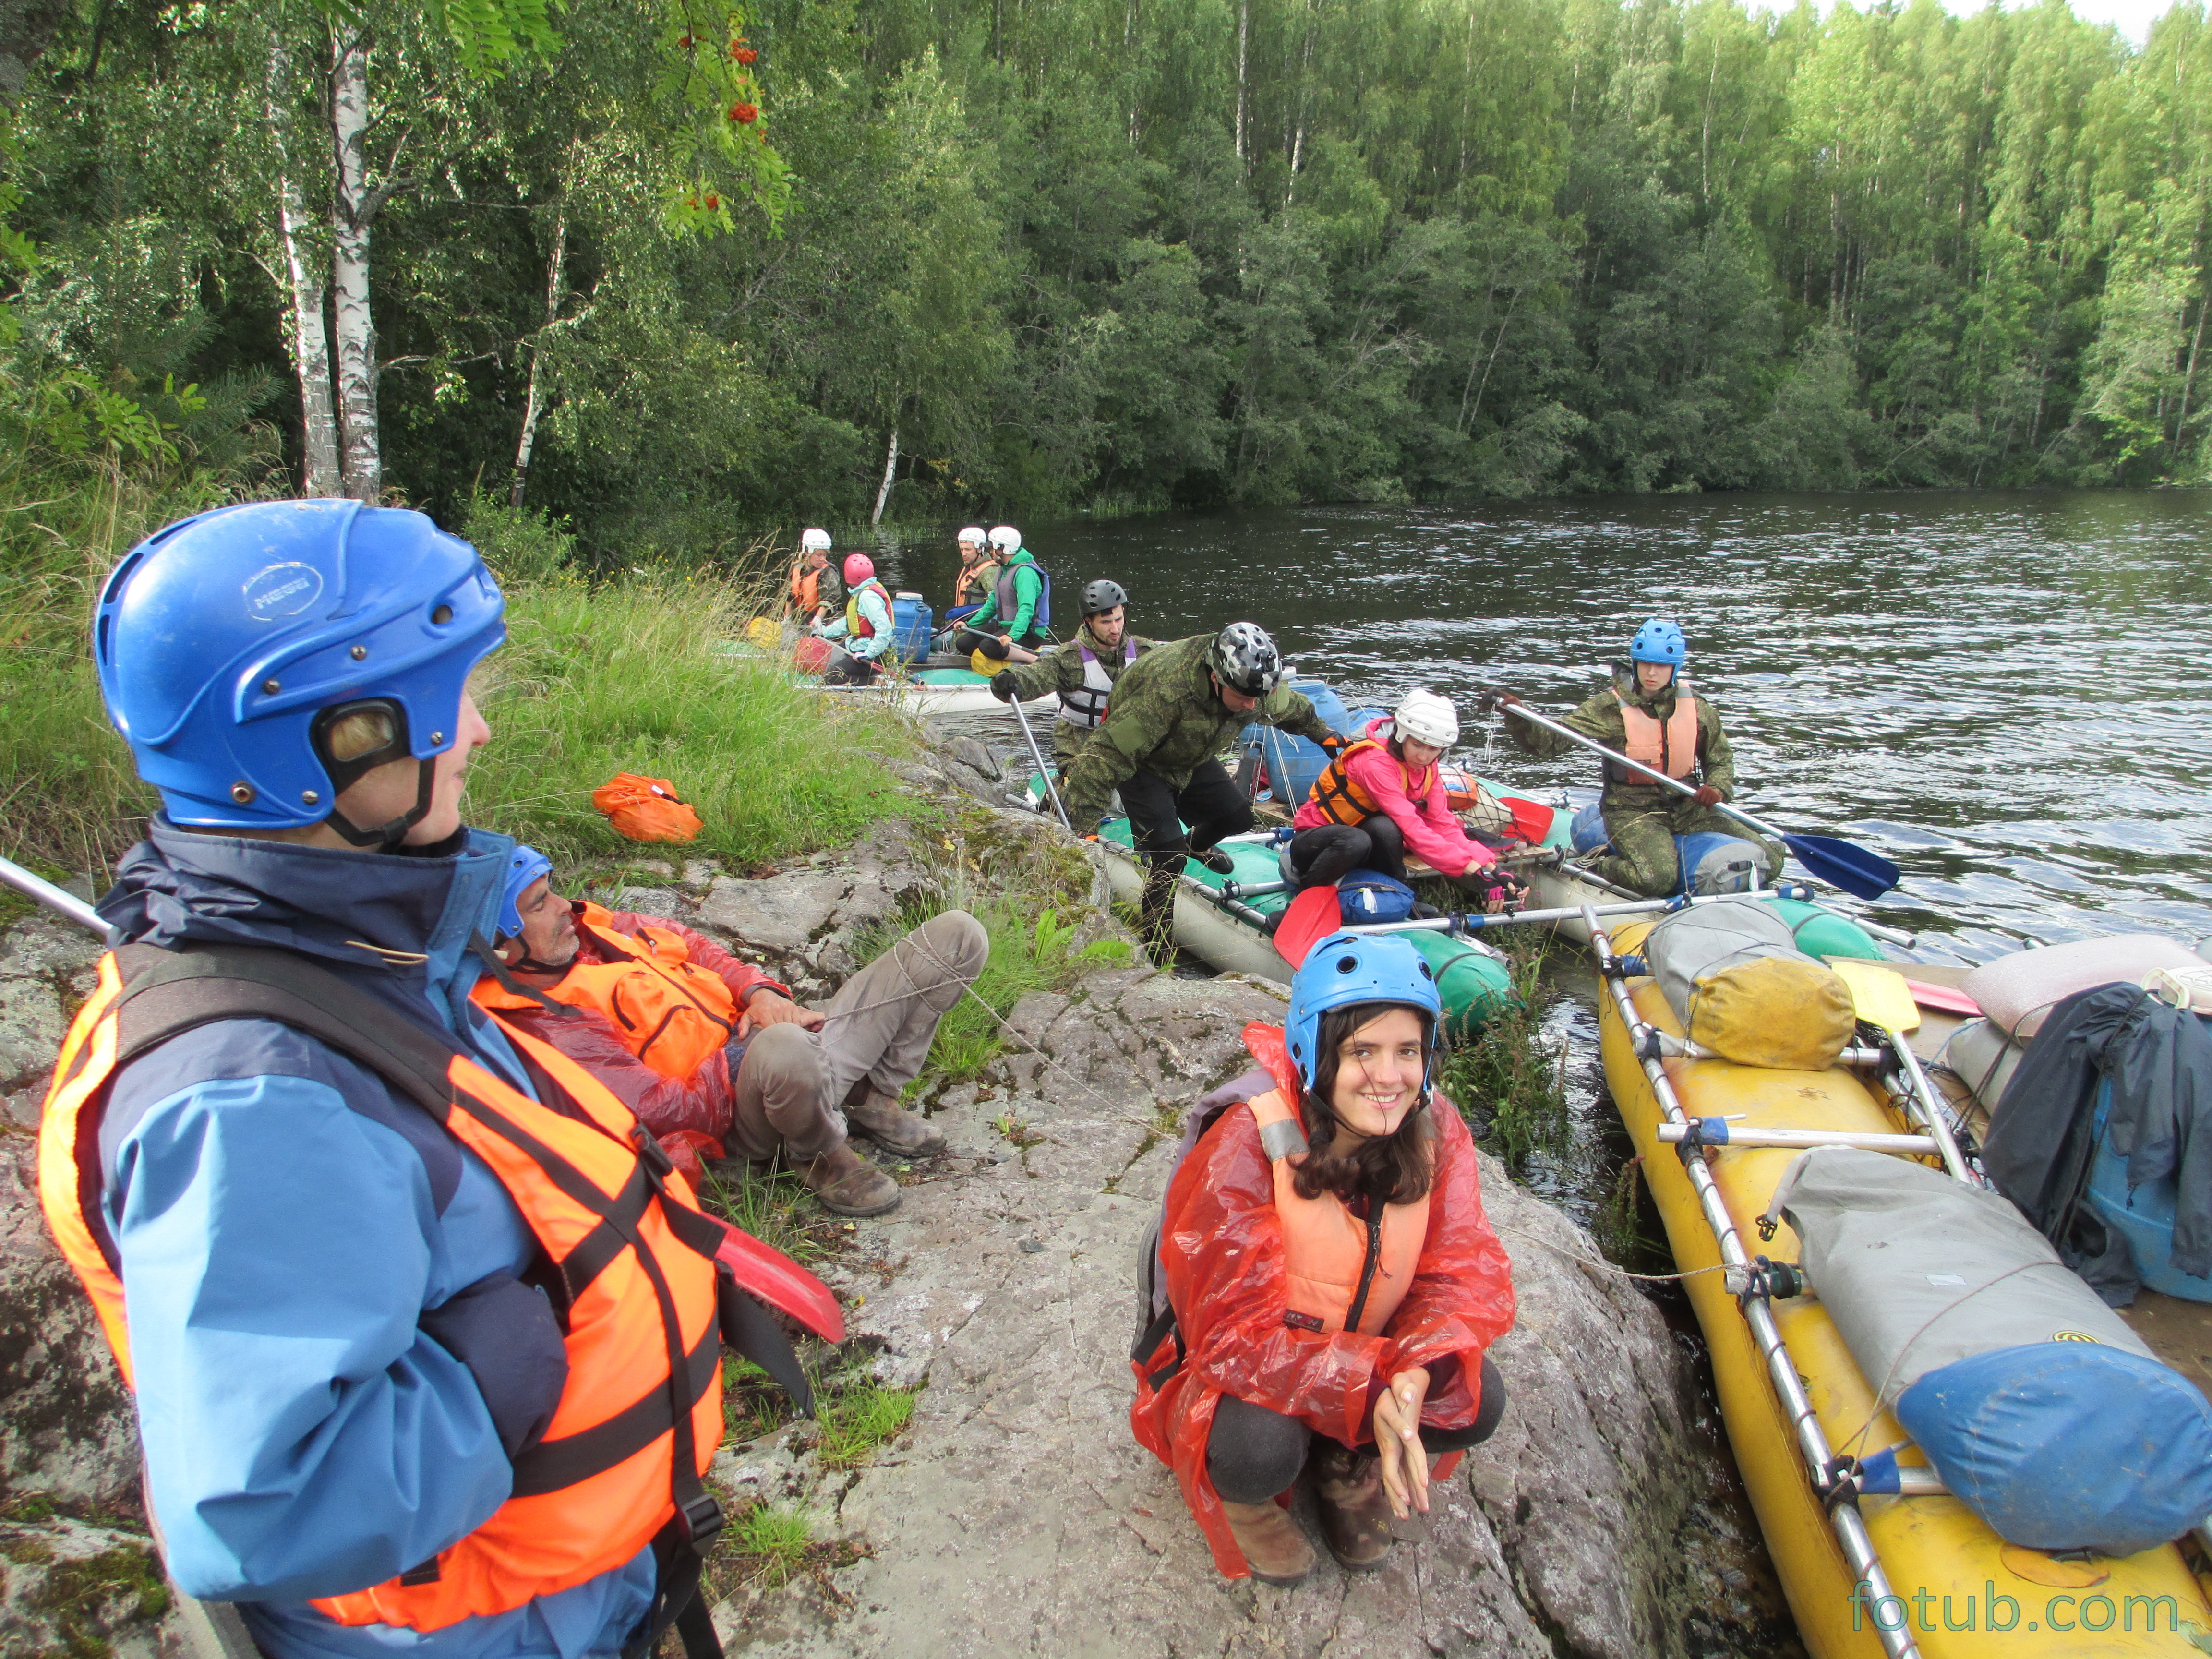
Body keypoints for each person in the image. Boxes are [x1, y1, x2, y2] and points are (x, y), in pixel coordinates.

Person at [39, 499, 740, 1659]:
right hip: (483, 1632)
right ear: (339, 743)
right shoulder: (250, 1094)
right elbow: (267, 1505)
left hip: (583, 1592)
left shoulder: (368, 959)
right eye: (448, 697)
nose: (474, 732)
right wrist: (508, 1351)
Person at [1129, 931, 1515, 1584]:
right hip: (1253, 1371)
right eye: (1363, 1050)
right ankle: (1248, 1502)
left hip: (1360, 1351)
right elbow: (1231, 1340)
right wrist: (1372, 1384)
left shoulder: (1435, 1128)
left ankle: (1344, 1461)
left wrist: (1414, 1376)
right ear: (1314, 1050)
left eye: (1408, 1051)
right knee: (1256, 1451)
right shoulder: (1246, 1142)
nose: (1389, 1077)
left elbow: (1459, 1274)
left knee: (1475, 1397)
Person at [478, 847, 984, 1218]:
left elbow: (695, 946)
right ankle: (818, 1155)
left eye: (553, 889)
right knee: (786, 1049)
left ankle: (871, 1097)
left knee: (958, 936)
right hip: (740, 1112)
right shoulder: (546, 1020)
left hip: (784, 1050)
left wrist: (762, 996)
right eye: (540, 903)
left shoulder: (603, 929)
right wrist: (747, 1054)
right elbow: (657, 1111)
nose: (566, 905)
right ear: (501, 942)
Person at [1058, 622, 1343, 955]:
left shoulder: (1253, 686)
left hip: (1190, 754)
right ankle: (1156, 946)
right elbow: (1102, 759)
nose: (1253, 707)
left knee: (1238, 818)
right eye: (1244, 699)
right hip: (1143, 762)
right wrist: (1085, 830)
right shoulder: (1166, 692)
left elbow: (1289, 706)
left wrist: (1324, 734)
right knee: (1170, 860)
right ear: (1215, 678)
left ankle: (1195, 846)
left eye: (1258, 698)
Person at [1498, 618, 1782, 897]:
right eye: (1645, 663)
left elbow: (1720, 757)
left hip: (1687, 806)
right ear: (1635, 664)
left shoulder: (1695, 706)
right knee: (1655, 880)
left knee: (1771, 857)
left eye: (1660, 665)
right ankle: (1600, 862)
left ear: (1675, 668)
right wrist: (1519, 717)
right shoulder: (1609, 707)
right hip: (1632, 811)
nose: (1652, 673)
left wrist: (1718, 788)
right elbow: (1548, 743)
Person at [1288, 688, 1523, 911]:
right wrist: (1471, 869)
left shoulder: (1428, 769)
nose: (1423, 756)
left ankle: (1396, 893)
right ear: (1401, 735)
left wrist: (1492, 867)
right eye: (1417, 744)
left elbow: (1443, 825)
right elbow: (1412, 828)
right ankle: (1304, 899)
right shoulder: (1374, 764)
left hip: (1363, 848)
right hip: (1316, 846)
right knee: (1358, 838)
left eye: (1433, 749)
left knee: (1384, 828)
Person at [987, 578, 1156, 771]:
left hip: (1130, 745)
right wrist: (1012, 680)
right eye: (1106, 622)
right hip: (1080, 748)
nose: (1115, 629)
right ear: (1088, 621)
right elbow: (1038, 675)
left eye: (1119, 619)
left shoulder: (1146, 652)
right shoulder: (1069, 659)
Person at [950, 524, 1046, 664]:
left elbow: (1026, 609)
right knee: (963, 643)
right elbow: (992, 604)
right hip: (1004, 624)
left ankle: (1034, 659)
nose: (990, 552)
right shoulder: (1004, 570)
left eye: (993, 548)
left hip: (1028, 631)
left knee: (988, 646)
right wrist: (969, 624)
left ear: (1002, 548)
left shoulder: (1025, 573)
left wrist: (1012, 636)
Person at [815, 552, 895, 685]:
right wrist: (824, 633)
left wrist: (869, 654)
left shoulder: (867, 596)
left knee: (832, 677)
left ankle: (875, 681)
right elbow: (849, 622)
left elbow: (885, 630)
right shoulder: (861, 592)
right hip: (858, 645)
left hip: (873, 654)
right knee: (828, 661)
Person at [787, 527, 843, 626]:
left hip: (826, 622)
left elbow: (829, 600)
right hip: (802, 621)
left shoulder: (828, 571)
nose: (822, 559)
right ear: (808, 552)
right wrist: (787, 620)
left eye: (824, 555)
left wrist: (817, 620)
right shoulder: (797, 569)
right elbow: (789, 598)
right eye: (819, 555)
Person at [946, 526, 1000, 623]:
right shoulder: (968, 568)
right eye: (962, 550)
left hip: (976, 625)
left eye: (968, 549)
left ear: (980, 549)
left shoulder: (989, 571)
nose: (964, 554)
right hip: (961, 623)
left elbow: (995, 605)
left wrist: (972, 624)